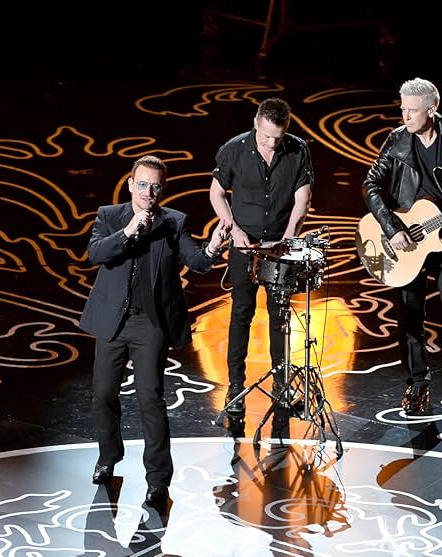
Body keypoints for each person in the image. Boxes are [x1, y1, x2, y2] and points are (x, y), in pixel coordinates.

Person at [79, 155, 231, 506]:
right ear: (131, 184)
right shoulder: (109, 215)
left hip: (150, 323)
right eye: (143, 184)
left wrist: (211, 245)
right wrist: (129, 230)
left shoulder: (173, 222)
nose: (149, 191)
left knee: (150, 398)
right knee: (103, 394)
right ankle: (108, 458)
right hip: (113, 321)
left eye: (156, 186)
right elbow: (95, 253)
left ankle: (158, 478)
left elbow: (197, 260)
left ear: (162, 189)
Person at [361, 77, 442, 422]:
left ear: (433, 109)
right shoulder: (396, 141)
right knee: (409, 316)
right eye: (402, 109)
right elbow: (370, 184)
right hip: (407, 241)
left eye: (412, 111)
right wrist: (392, 228)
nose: (405, 117)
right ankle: (417, 384)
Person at [209, 97, 314, 414]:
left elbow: (303, 197)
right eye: (266, 135)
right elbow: (216, 192)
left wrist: (290, 235)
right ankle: (235, 387)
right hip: (244, 245)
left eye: (277, 137)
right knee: (241, 313)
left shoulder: (297, 150)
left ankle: (282, 385)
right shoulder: (234, 149)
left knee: (280, 316)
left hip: (279, 246)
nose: (271, 142)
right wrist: (234, 229)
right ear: (256, 124)